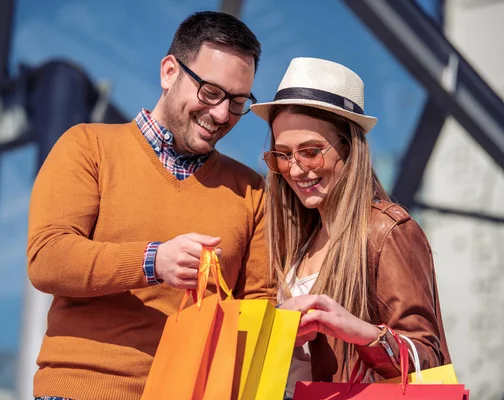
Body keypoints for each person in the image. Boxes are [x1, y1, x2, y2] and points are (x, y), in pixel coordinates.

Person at [26, 11, 274, 400]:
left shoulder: (251, 190)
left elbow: (259, 306)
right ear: (170, 72)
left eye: (238, 101)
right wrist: (155, 261)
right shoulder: (88, 146)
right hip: (83, 389)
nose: (223, 114)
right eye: (210, 93)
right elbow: (47, 258)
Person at [250, 57, 451, 398]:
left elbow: (430, 365)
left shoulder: (387, 231)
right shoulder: (295, 237)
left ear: (349, 148)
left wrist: (360, 332)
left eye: (311, 152)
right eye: (282, 155)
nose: (296, 170)